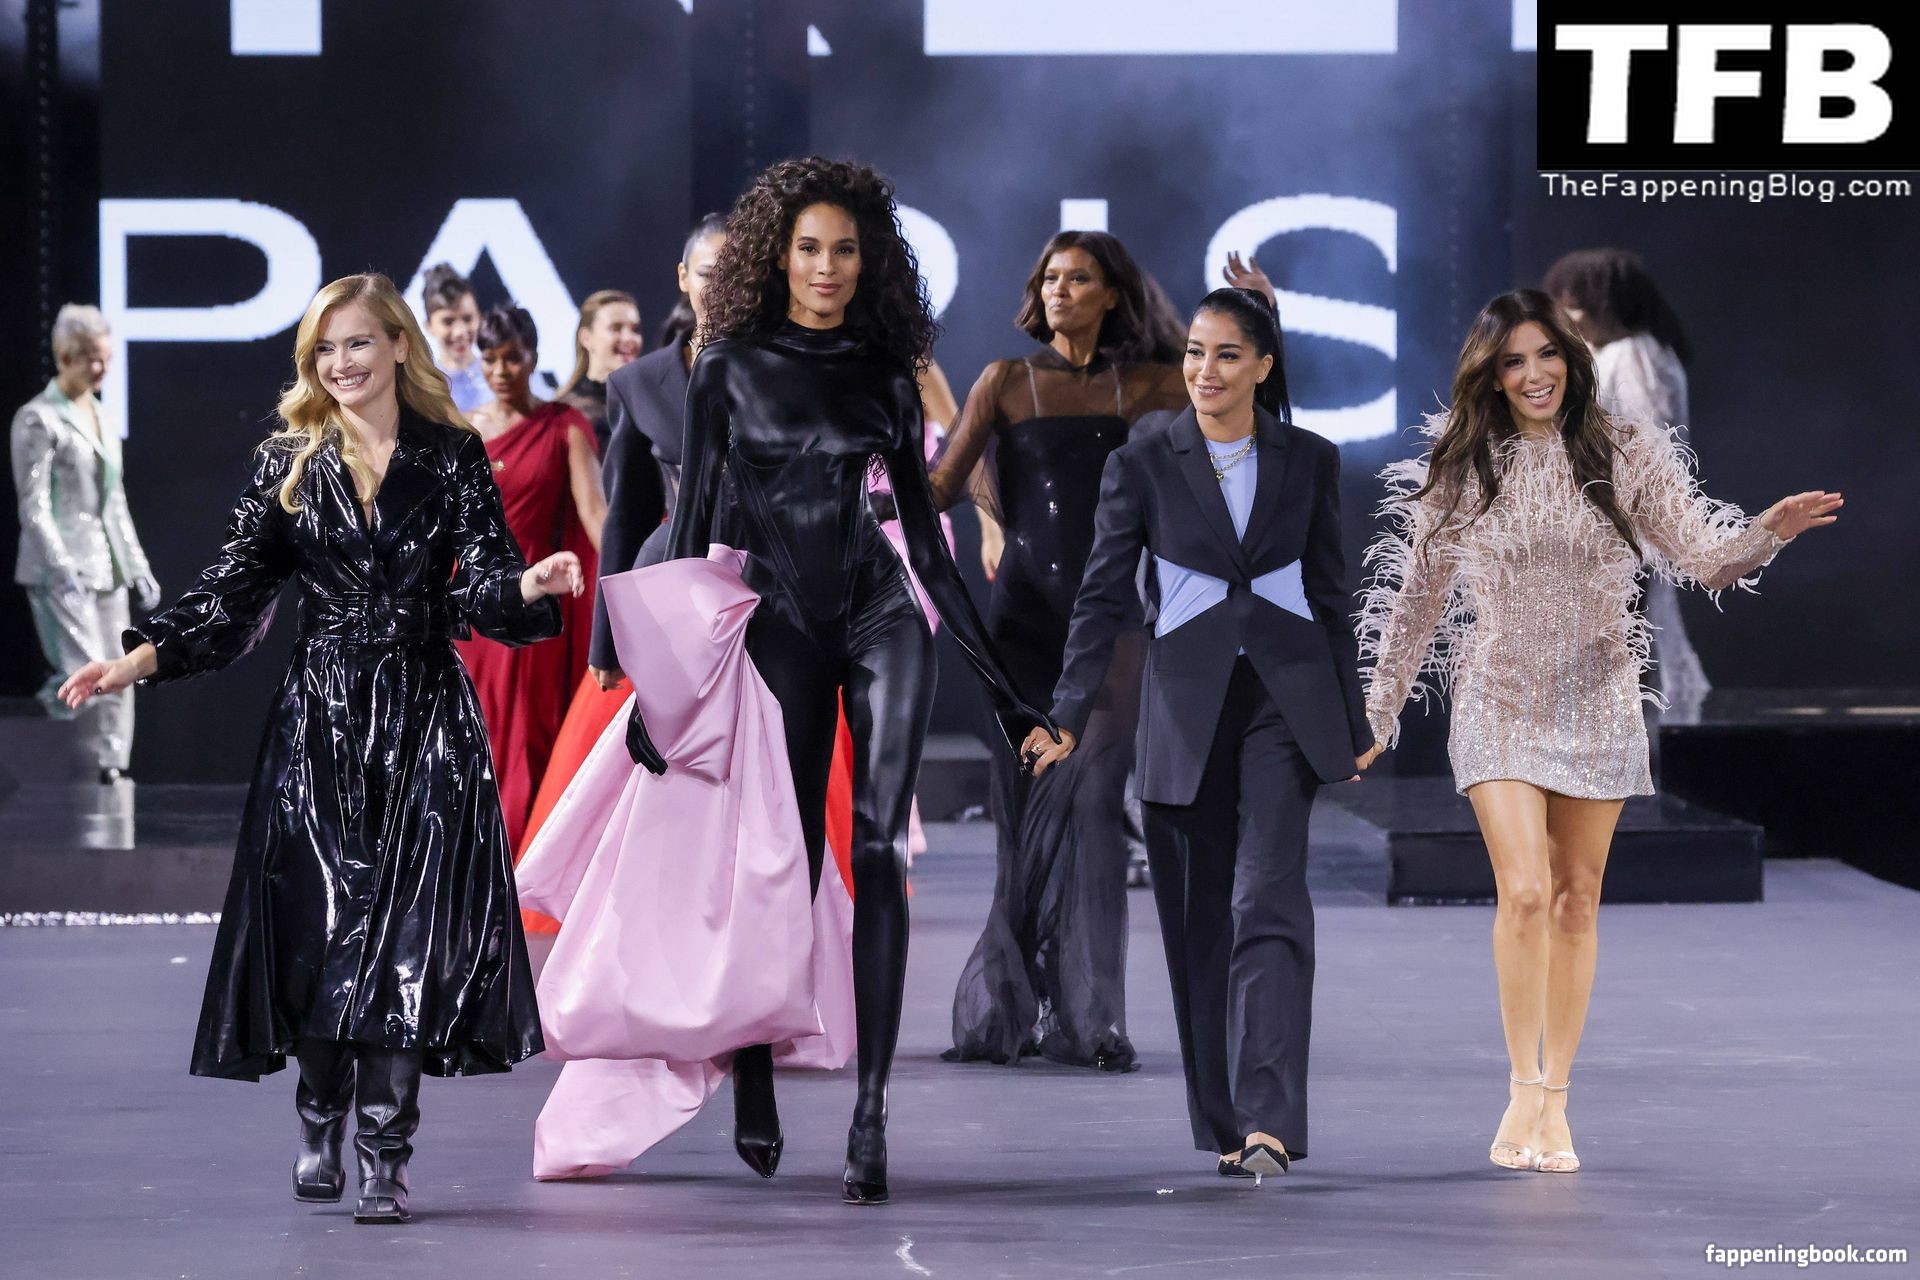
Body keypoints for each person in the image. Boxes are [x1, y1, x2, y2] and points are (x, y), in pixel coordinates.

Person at [563, 156, 1051, 1205]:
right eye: (809, 247)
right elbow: (689, 540)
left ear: (868, 260)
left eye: (845, 249)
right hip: (777, 623)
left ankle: (871, 1112)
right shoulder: (725, 367)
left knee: (876, 848)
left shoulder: (886, 374)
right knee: (771, 860)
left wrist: (1010, 697)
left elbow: (930, 554)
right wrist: (659, 688)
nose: (828, 266)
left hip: (881, 616)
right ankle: (750, 1058)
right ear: (777, 256)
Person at [56, 272, 582, 1223]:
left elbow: (483, 581)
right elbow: (233, 592)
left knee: (407, 933)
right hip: (323, 723)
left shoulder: (452, 454)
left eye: (358, 343)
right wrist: (135, 659)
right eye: (324, 349)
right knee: (321, 926)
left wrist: (526, 587)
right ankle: (317, 1115)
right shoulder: (288, 461)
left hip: (427, 717)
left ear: (398, 346)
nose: (341, 363)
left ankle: (386, 1155)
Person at [1356, 289, 1840, 1175]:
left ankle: (1556, 1101)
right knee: (1524, 893)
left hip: (1599, 698)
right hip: (1498, 694)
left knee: (1577, 899)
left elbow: (1705, 560)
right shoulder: (1464, 462)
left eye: (1546, 354)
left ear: (1572, 359)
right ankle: (1520, 1086)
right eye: (1513, 361)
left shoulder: (1625, 450)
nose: (1533, 374)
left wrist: (1769, 532)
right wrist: (1380, 709)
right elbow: (1418, 596)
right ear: (1490, 376)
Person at [1025, 288, 1373, 1181]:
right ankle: (1223, 1120)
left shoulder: (1310, 459)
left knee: (1268, 897)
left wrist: (1355, 717)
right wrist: (1066, 714)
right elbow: (1102, 595)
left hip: (1284, 699)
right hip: (1183, 705)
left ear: (1262, 366)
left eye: (1225, 354)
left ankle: (1269, 1122)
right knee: (1198, 919)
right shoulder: (1143, 460)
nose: (1204, 371)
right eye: (1193, 352)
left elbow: (1331, 597)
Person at [923, 230, 1186, 1071]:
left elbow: (1242, 413)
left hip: (1110, 624)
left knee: (1096, 805)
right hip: (1022, 625)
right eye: (1050, 277)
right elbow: (940, 485)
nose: (1060, 290)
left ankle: (1092, 1019)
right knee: (1021, 810)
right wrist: (864, 481)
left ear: (1114, 294)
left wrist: (1264, 323)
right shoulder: (1004, 381)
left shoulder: (1155, 383)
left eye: (1079, 278)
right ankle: (1009, 1008)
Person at [516, 216, 728, 936]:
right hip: (664, 597)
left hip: (763, 592)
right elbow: (625, 516)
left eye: (735, 272)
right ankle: (652, 925)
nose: (721, 287)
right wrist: (605, 642)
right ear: (683, 277)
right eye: (708, 272)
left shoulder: (782, 368)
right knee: (657, 775)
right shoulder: (639, 381)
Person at [458, 305, 606, 848]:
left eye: (513, 358)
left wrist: (636, 583)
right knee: (472, 732)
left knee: (529, 737)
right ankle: (474, 858)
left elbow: (595, 515)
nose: (500, 371)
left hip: (536, 607)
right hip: (474, 605)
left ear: (535, 356)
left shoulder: (564, 426)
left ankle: (523, 858)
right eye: (490, 359)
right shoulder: (462, 430)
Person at [1543, 248, 1708, 716]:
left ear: (1606, 307)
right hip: (1617, 524)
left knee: (1627, 647)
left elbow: (1647, 443)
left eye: (1575, 308)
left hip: (1623, 528)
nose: (1567, 320)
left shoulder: (1632, 355)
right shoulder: (1622, 354)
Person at [12, 304, 158, 783]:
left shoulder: (101, 415)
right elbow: (34, 506)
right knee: (82, 669)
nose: (101, 368)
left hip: (105, 563)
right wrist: (60, 566)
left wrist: (137, 566)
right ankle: (57, 751)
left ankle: (110, 766)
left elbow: (114, 501)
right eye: (92, 358)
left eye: (106, 358)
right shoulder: (37, 419)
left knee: (121, 667)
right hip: (60, 567)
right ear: (65, 356)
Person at [555, 289, 643, 455]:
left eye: (635, 329)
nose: (629, 338)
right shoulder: (564, 412)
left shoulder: (650, 402)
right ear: (586, 338)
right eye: (615, 328)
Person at [420, 263, 487, 414]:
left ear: (479, 318)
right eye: (448, 322)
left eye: (468, 319)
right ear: (429, 326)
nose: (459, 332)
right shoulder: (424, 388)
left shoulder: (500, 377)